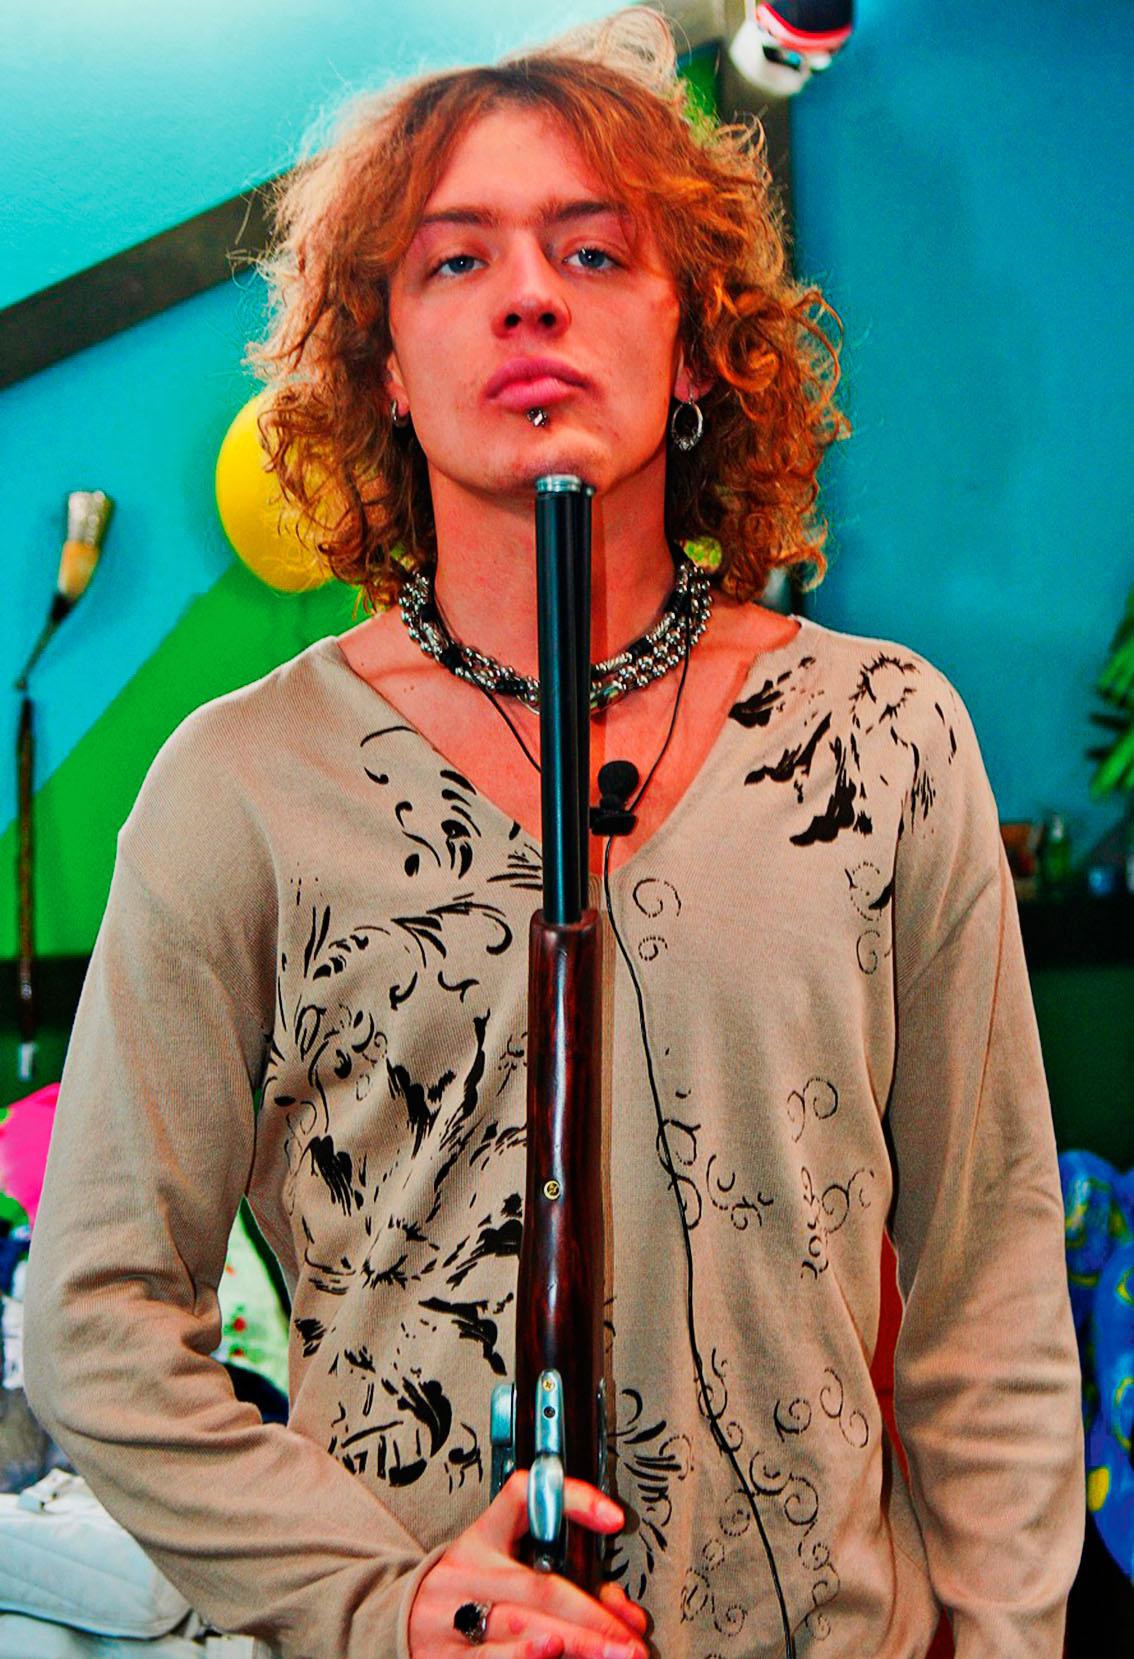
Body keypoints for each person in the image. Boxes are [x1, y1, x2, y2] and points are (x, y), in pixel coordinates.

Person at [24, 11, 1084, 1658]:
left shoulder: (883, 739)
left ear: (694, 347)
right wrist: (375, 1602)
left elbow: (988, 1272)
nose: (527, 296)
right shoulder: (241, 784)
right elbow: (96, 1317)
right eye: (453, 262)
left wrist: (1010, 1639)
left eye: (593, 251)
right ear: (384, 364)